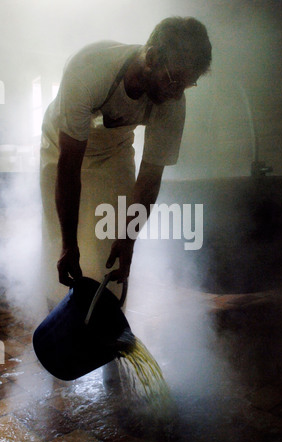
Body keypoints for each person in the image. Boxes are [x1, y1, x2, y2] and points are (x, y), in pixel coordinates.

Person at [40, 16, 212, 304]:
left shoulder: (173, 102)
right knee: (59, 241)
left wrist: (128, 240)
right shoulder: (89, 69)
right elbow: (69, 167)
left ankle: (109, 326)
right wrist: (69, 244)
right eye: (173, 80)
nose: (177, 93)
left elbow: (149, 178)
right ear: (152, 57)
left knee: (110, 242)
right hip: (60, 146)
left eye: (187, 84)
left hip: (113, 150)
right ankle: (56, 317)